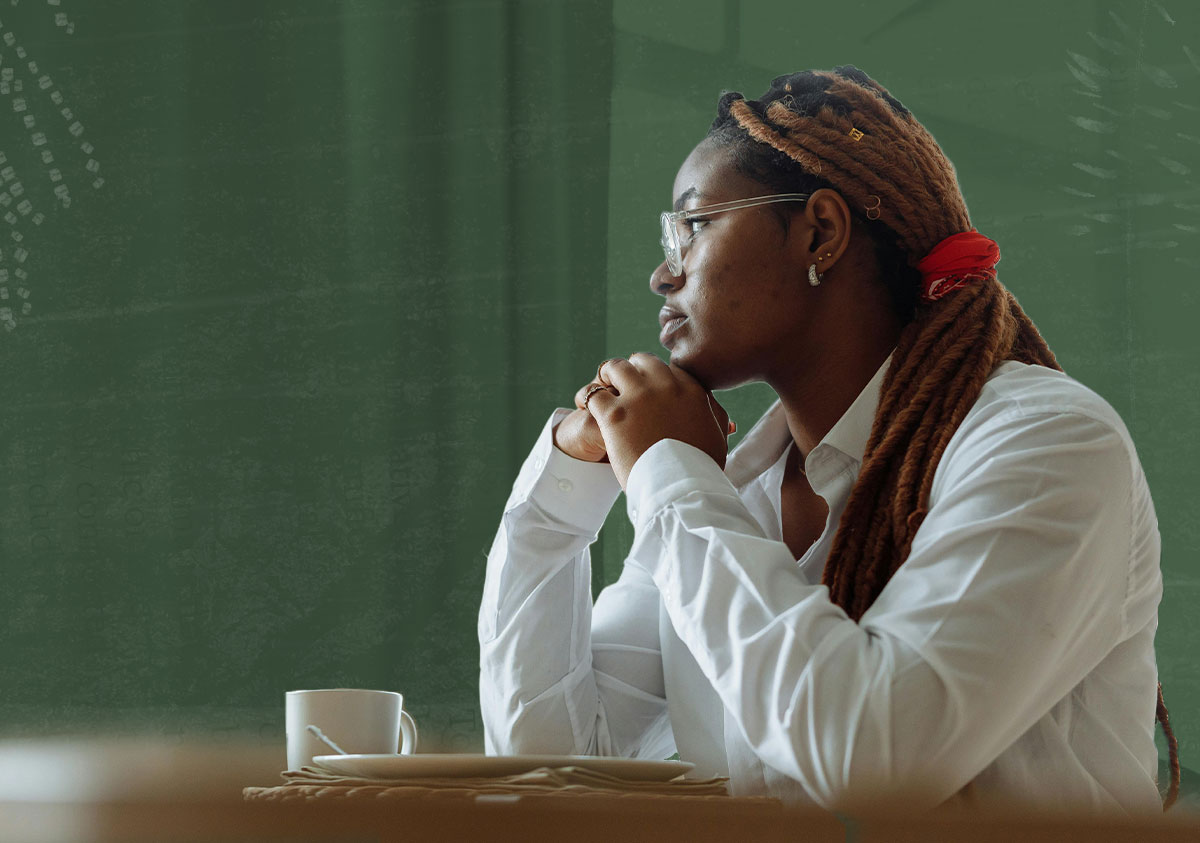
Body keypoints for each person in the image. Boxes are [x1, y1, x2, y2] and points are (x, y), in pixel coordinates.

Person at [477, 65, 1179, 815]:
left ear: (820, 231)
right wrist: (561, 492)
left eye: (692, 227)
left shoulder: (1044, 445)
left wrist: (667, 474)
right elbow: (551, 771)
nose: (661, 274)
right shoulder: (728, 493)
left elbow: (872, 756)